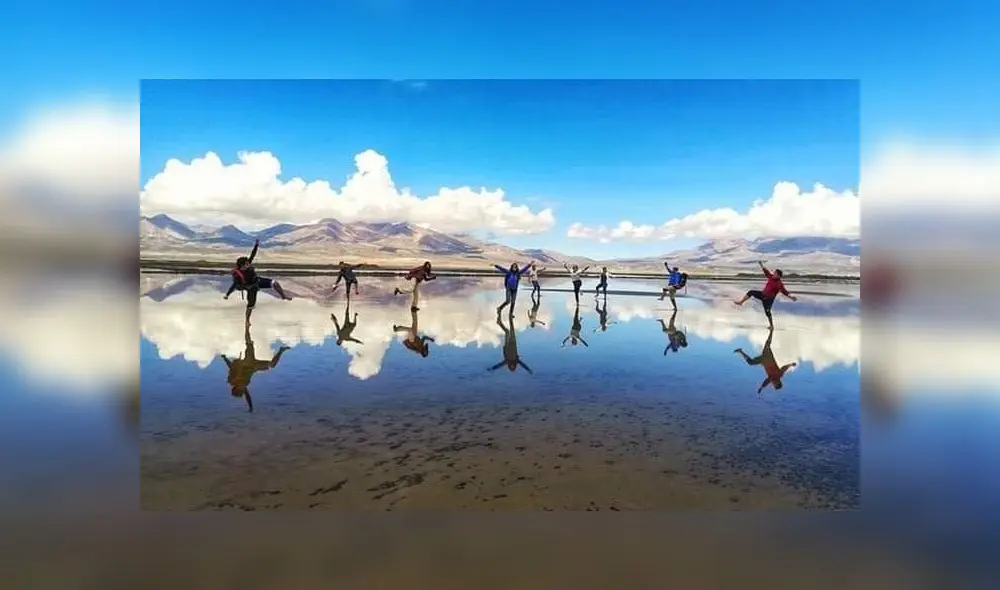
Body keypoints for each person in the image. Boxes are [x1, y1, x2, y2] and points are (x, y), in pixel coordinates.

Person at [220, 323, 291, 412]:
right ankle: (281, 350)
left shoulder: (233, 379)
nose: (244, 388)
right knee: (272, 365)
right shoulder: (243, 386)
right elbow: (248, 396)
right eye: (243, 390)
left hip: (247, 363)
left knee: (249, 344)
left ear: (236, 387)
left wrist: (225, 358)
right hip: (255, 367)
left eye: (241, 389)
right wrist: (251, 407)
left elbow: (231, 367)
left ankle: (247, 328)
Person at [224, 238, 291, 324]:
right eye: (247, 264)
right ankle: (247, 320)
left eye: (248, 263)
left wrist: (256, 245)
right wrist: (227, 294)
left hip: (257, 281)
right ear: (242, 266)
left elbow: (253, 254)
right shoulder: (238, 275)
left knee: (274, 283)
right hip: (251, 288)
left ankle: (283, 296)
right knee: (251, 305)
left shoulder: (248, 263)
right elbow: (234, 285)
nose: (249, 264)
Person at [733, 260, 798, 328]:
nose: (774, 274)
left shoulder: (779, 284)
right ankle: (741, 302)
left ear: (778, 276)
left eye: (775, 273)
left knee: (767, 312)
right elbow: (766, 271)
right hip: (762, 294)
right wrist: (761, 264)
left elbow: (785, 292)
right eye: (774, 273)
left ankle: (771, 326)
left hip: (768, 300)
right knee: (751, 292)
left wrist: (791, 297)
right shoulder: (771, 277)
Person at [733, 327, 796, 394]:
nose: (773, 384)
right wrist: (791, 364)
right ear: (778, 382)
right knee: (767, 344)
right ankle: (771, 330)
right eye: (774, 384)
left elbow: (766, 382)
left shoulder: (771, 379)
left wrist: (761, 388)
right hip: (769, 358)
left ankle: (740, 351)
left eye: (773, 385)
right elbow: (784, 368)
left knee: (750, 362)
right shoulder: (779, 375)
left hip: (763, 361)